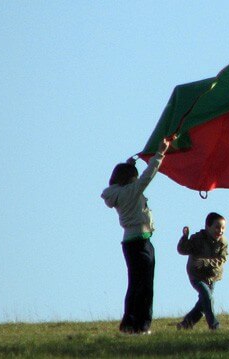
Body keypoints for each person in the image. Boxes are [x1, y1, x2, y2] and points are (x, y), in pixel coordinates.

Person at [101, 136, 173, 334]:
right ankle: (142, 325)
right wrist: (161, 152)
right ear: (130, 178)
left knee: (134, 283)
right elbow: (149, 174)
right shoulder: (132, 190)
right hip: (142, 242)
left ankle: (128, 323)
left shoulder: (115, 193)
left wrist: (128, 166)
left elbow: (122, 183)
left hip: (128, 242)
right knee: (145, 286)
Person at [176, 212, 229, 331]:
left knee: (203, 304)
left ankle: (185, 324)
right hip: (197, 275)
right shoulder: (198, 239)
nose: (220, 231)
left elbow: (222, 259)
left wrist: (205, 262)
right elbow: (182, 250)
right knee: (208, 298)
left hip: (212, 277)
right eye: (217, 227)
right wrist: (185, 237)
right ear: (207, 227)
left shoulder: (223, 243)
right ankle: (214, 326)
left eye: (223, 228)